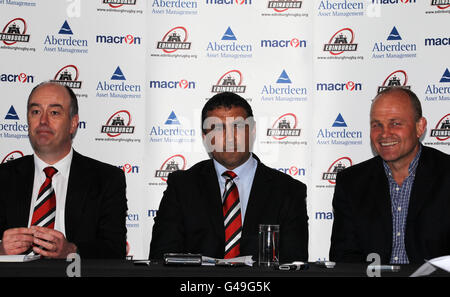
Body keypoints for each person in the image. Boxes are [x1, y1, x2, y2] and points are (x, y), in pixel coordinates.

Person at [149, 92, 308, 262]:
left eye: (238, 126)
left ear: (252, 131)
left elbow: (294, 265)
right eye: (217, 128)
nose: (230, 137)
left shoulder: (288, 191)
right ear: (205, 138)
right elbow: (162, 259)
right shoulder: (182, 187)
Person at [0, 81, 128, 259]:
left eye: (54, 113)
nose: (43, 121)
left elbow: (115, 249)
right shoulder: (3, 177)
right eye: (36, 112)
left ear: (73, 123)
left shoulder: (106, 179)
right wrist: (1, 250)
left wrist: (71, 251)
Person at [329, 87, 450, 264]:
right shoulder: (351, 183)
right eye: (377, 125)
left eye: (395, 123)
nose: (385, 134)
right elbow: (344, 258)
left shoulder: (446, 174)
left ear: (420, 127)